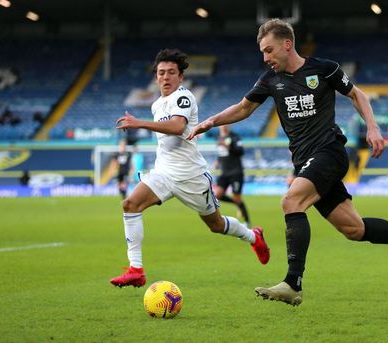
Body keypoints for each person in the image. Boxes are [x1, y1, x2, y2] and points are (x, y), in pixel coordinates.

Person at [187, 18, 388, 306]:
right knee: (354, 230)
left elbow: (357, 94)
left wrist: (373, 127)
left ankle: (293, 283)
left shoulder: (323, 68)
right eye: (262, 53)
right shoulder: (270, 80)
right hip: (306, 161)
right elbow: (244, 108)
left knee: (291, 201)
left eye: (269, 51)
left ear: (287, 44)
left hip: (329, 151)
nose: (265, 58)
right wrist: (210, 122)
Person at [110, 48, 270, 288]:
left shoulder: (184, 97)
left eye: (171, 73)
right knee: (130, 205)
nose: (165, 77)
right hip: (164, 173)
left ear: (180, 77)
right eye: (161, 73)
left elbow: (176, 127)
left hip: (191, 176)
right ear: (156, 77)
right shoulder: (157, 105)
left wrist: (138, 123)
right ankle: (136, 269)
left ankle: (252, 236)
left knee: (215, 225)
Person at [214, 125, 251, 227]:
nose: (223, 126)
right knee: (217, 194)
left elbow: (240, 151)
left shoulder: (235, 137)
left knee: (237, 198)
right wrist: (217, 161)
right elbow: (222, 153)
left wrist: (227, 146)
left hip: (236, 172)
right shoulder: (218, 137)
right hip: (224, 172)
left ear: (229, 125)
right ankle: (236, 204)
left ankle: (247, 222)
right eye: (221, 124)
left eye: (225, 124)